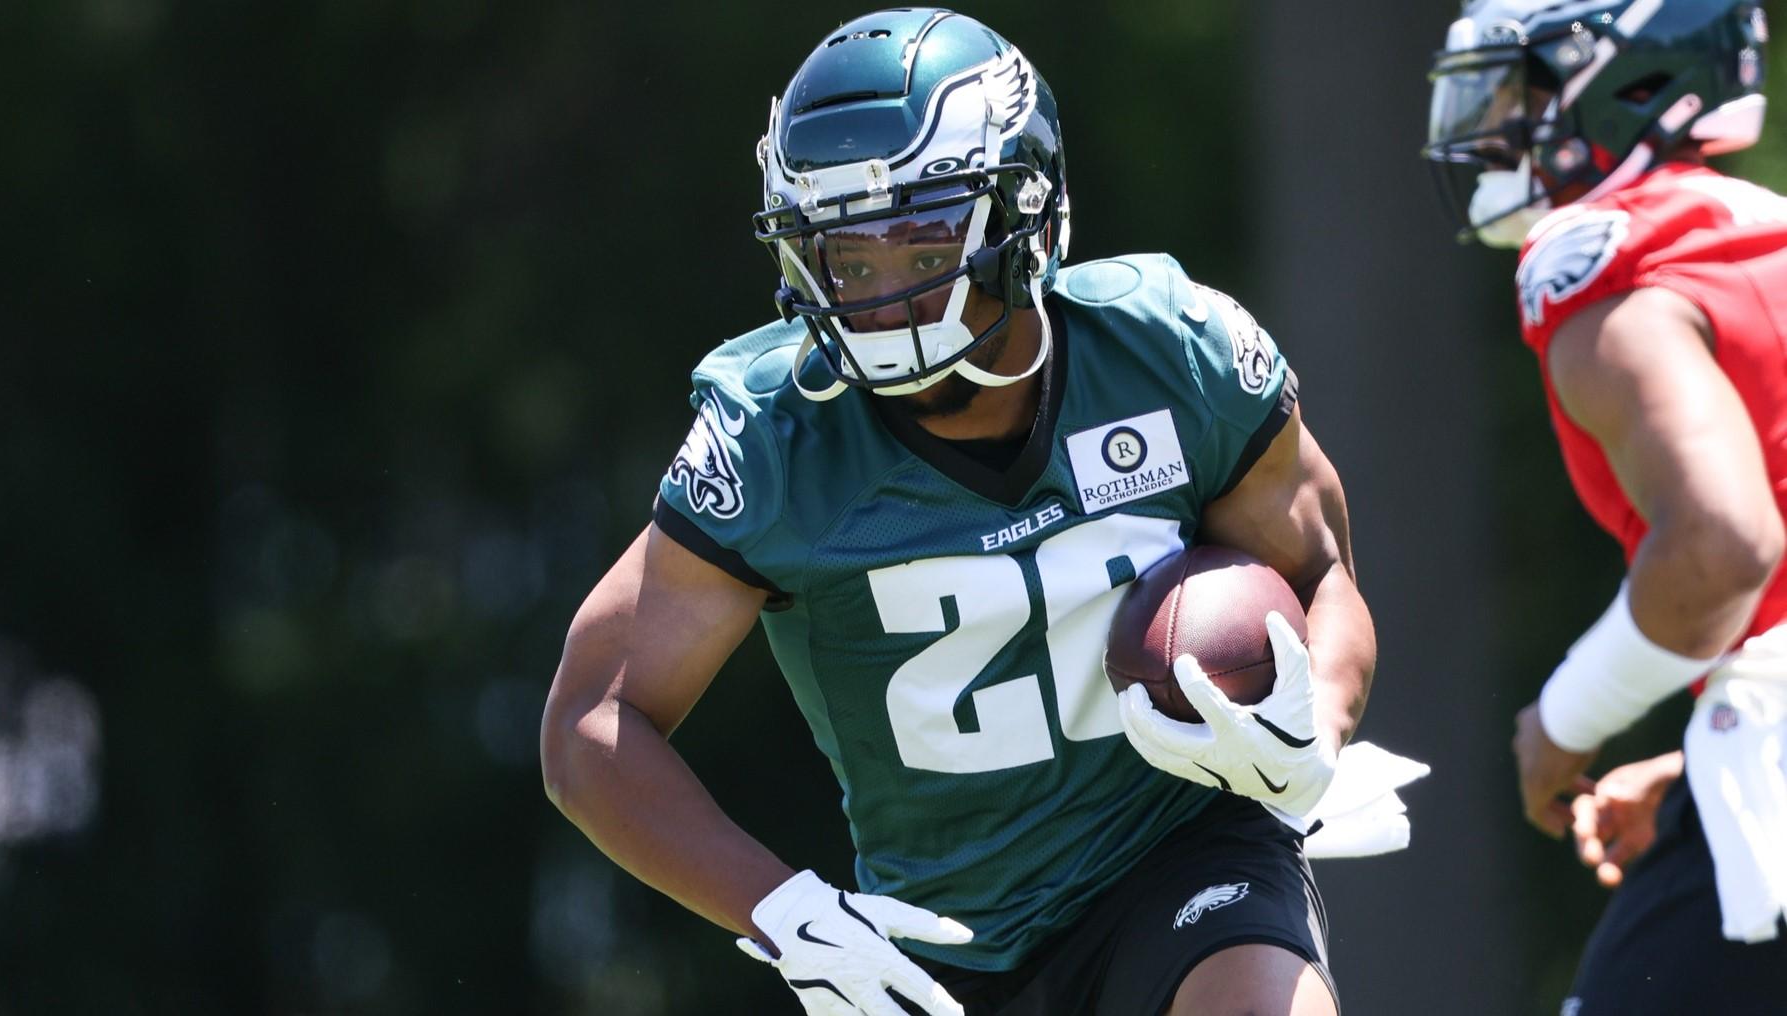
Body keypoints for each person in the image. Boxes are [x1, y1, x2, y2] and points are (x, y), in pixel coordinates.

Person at [542, 9, 1378, 1014]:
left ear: (1026, 210)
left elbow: (1321, 571)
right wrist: (781, 910)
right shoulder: (777, 441)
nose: (883, 296)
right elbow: (593, 719)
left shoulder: (1168, 353)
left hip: (1180, 853)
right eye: (848, 258)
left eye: (922, 239)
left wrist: (1313, 727)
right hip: (940, 936)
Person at [1423, 0, 1787, 1011]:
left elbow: (1723, 545)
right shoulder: (1756, 235)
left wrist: (1565, 718)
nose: (1491, 124)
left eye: (1519, 89)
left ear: (1628, 85)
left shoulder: (1607, 260)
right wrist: (1702, 761)